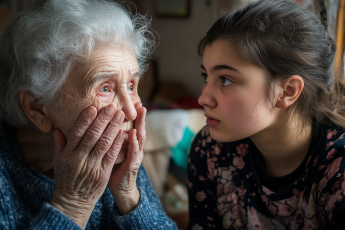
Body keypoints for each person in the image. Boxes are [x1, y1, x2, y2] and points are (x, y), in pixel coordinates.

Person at [0, 0, 178, 229]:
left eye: (132, 85)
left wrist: (128, 193)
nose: (131, 110)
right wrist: (72, 203)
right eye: (105, 88)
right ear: (37, 107)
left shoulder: (110, 150)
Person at [187, 0, 345, 229]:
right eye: (206, 77)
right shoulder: (209, 150)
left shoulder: (338, 167)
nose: (203, 98)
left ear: (287, 91)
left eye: (226, 79)